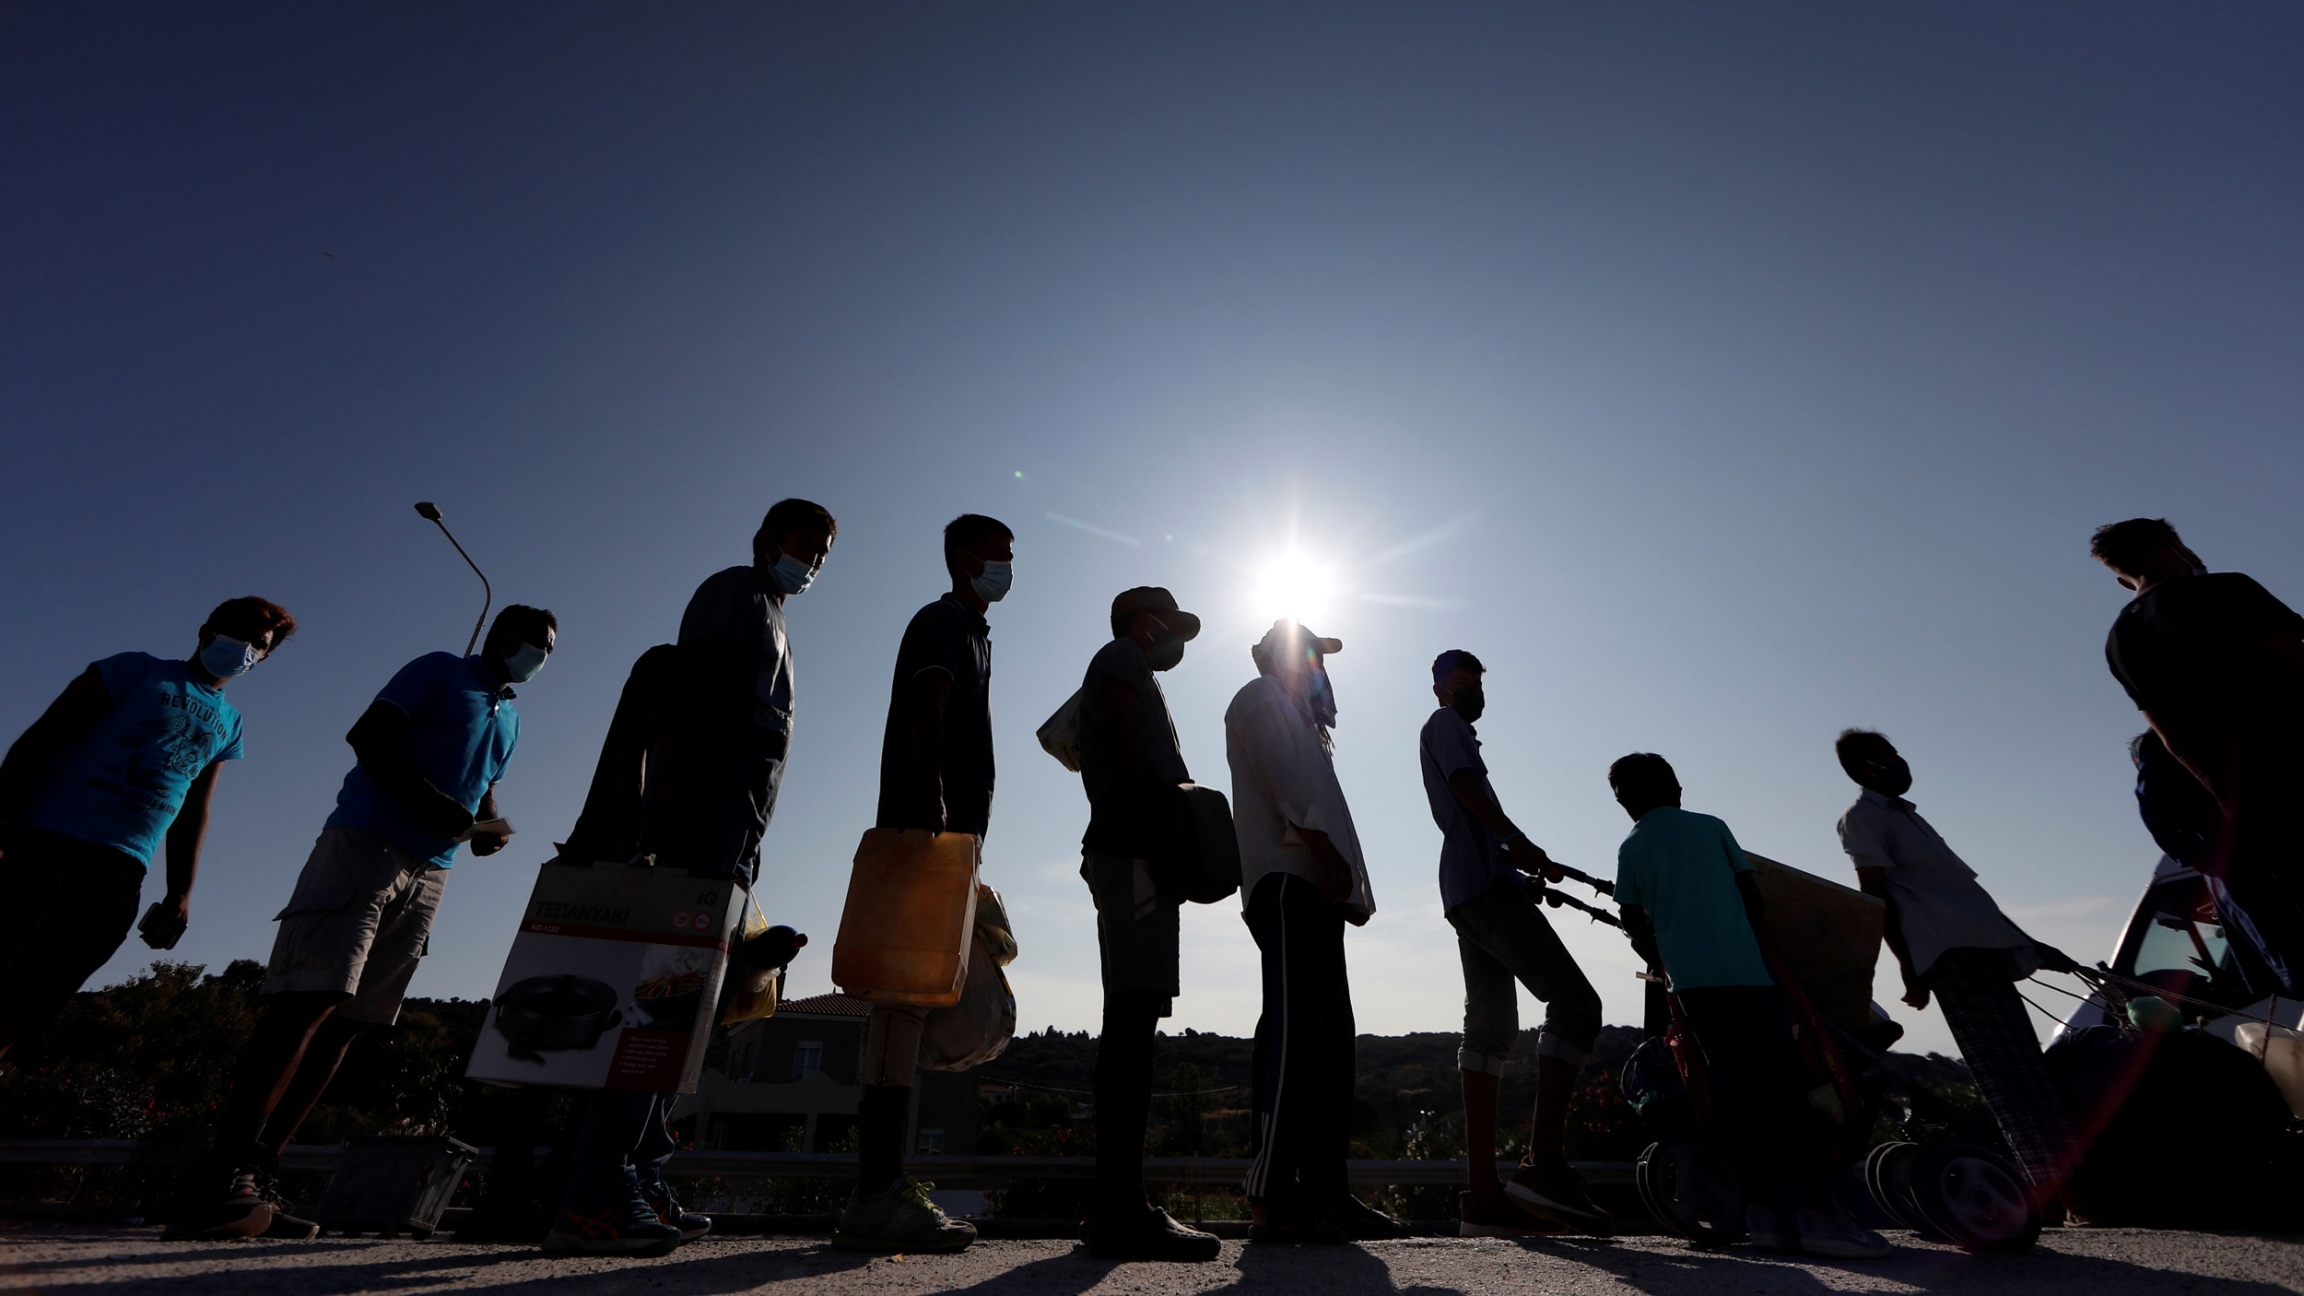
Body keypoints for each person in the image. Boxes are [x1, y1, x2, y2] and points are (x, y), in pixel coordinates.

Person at [166, 605, 556, 1243]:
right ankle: (220, 1176)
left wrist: (487, 827)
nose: (541, 658)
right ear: (503, 637)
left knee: (350, 1024)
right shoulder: (438, 670)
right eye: (536, 644)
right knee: (305, 1001)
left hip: (433, 872)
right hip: (367, 845)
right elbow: (368, 737)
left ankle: (260, 1176)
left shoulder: (510, 716)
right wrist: (430, 802)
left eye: (549, 650)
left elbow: (483, 792)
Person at [531, 499, 837, 1257]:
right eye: (804, 546)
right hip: (691, 836)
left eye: (823, 552)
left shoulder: (774, 617)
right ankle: (596, 1196)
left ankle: (641, 1175)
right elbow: (688, 692)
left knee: (682, 1024)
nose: (813, 562)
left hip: (729, 844)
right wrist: (661, 819)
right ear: (765, 540)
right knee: (652, 1018)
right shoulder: (733, 591)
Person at [1607, 752, 1889, 1259]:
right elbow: (1751, 898)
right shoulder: (1712, 827)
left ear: (1623, 801)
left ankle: (1764, 1216)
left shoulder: (1631, 847)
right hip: (1746, 976)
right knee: (1786, 1086)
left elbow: (1632, 920)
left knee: (1734, 1095)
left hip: (1691, 990)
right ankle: (1819, 1215)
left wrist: (1664, 955)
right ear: (1676, 787)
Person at [0, 597, 297, 1063]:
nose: (244, 649)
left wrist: (180, 892)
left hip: (120, 868)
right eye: (236, 635)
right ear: (206, 632)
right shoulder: (132, 671)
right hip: (47, 843)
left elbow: (194, 807)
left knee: (35, 999)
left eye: (257, 645)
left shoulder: (229, 725)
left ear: (263, 658)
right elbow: (42, 737)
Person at [834, 513, 1012, 1254]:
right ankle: (878, 1196)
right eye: (998, 556)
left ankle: (881, 1183)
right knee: (903, 1011)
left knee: (936, 1015)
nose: (1007, 569)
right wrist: (930, 814)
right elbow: (928, 704)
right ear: (963, 557)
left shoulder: (973, 631)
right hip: (927, 838)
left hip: (948, 846)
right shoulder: (943, 621)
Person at [1833, 729, 2081, 1213]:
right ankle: (2054, 1191)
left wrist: (2029, 943)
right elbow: (1876, 897)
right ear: (1866, 768)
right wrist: (1909, 967)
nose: (1900, 763)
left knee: (2027, 1065)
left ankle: (2070, 1183)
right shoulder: (1861, 819)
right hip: (1948, 954)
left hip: (1984, 947)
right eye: (1889, 758)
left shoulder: (1907, 815)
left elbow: (1961, 896)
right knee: (2003, 1073)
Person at [1419, 650, 1609, 1238]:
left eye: (1477, 681)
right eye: (1461, 681)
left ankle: (1482, 1197)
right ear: (1439, 689)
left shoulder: (1452, 729)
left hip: (1471, 890)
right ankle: (1543, 1166)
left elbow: (1472, 815)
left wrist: (1516, 871)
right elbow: (1463, 789)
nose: (1472, 689)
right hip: (1482, 887)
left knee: (1492, 1031)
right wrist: (1516, 839)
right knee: (1577, 1005)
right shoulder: (1446, 725)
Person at [1225, 620, 1397, 1244]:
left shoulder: (1299, 716)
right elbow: (1284, 783)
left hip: (1315, 887)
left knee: (1331, 1042)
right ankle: (1272, 1194)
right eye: (1309, 654)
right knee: (1297, 1035)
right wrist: (1325, 853)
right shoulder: (1261, 697)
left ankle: (1327, 1192)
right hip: (1289, 881)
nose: (1319, 665)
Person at [1071, 586, 1222, 1261]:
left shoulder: (1131, 667)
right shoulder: (1121, 659)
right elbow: (1126, 750)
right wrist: (1162, 845)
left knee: (1135, 1016)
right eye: (1173, 626)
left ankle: (1118, 1204)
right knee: (1131, 1020)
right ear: (1144, 622)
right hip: (1133, 854)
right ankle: (1119, 1209)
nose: (1178, 640)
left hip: (1138, 853)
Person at [2092, 517, 2304, 972]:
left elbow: (2170, 740)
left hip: (2250, 808)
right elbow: (2293, 659)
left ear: (2119, 577)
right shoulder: (2226, 590)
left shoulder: (2120, 639)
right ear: (2174, 546)